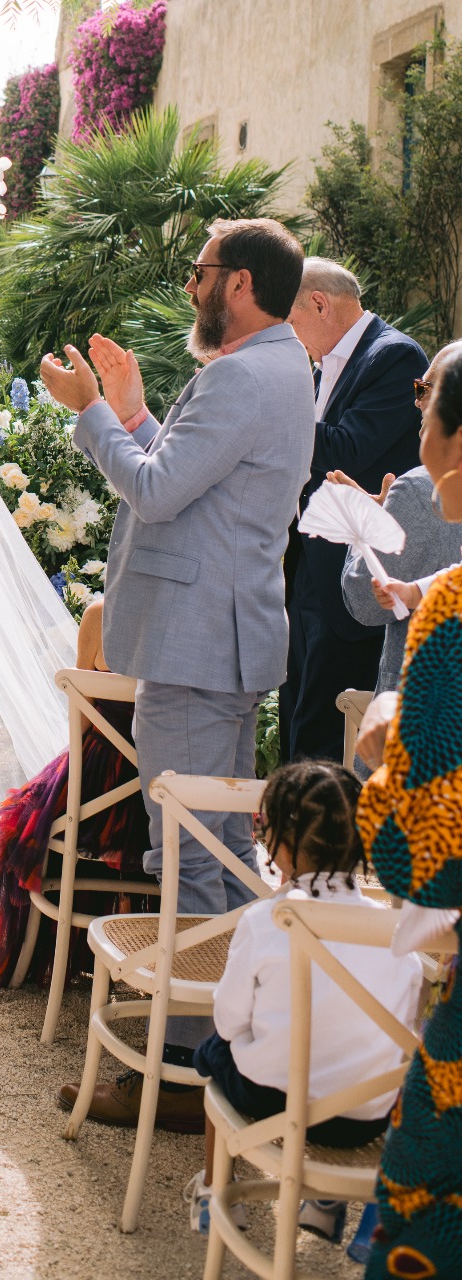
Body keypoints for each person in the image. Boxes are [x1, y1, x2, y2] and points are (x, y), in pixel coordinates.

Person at [41, 217, 313, 1133]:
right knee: (227, 857)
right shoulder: (280, 366)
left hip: (197, 650)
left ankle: (185, 1079)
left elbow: (154, 492)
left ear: (236, 282)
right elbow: (186, 473)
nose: (193, 285)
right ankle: (240, 1053)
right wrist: (131, 412)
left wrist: (86, 414)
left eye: (201, 272)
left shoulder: (242, 373)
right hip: (220, 641)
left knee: (188, 859)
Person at [184, 760, 422, 1243]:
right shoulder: (399, 933)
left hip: (272, 1100)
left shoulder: (265, 920)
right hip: (363, 1119)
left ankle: (213, 1190)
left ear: (283, 848)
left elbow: (229, 1023)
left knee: (213, 1051)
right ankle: (326, 1204)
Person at [355, 343, 462, 1280]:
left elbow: (412, 855)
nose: (414, 429)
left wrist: (381, 733)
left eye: (425, 410)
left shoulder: (453, 612)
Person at [0, 596, 151, 996]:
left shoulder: (101, 613)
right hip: (155, 802)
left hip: (95, 791)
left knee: (23, 820)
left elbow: (83, 718)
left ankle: (38, 955)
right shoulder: (191, 614)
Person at [284, 259, 426, 760]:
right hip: (305, 572)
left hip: (352, 585)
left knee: (323, 748)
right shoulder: (322, 367)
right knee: (296, 726)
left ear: (319, 303)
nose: (288, 334)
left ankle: (317, 839)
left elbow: (345, 450)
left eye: (290, 318)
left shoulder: (396, 357)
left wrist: (273, 404)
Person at [339, 345, 462, 700]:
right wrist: (413, 592)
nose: (417, 403)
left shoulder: (416, 488)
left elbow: (364, 600)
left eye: (426, 390)